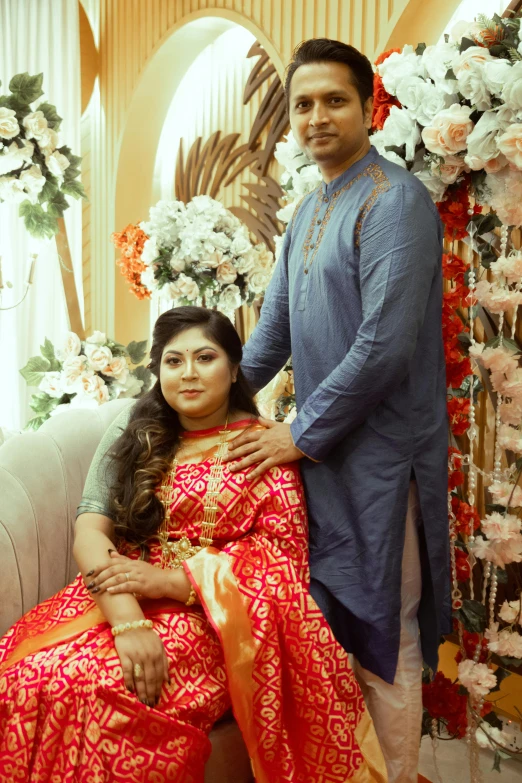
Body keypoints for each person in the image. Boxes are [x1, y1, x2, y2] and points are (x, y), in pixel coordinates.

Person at [0, 306, 386, 783]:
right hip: (116, 595)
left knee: (91, 688)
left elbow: (282, 567)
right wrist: (128, 624)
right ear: (157, 370)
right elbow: (91, 530)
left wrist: (169, 581)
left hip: (210, 622)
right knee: (25, 676)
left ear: (235, 367)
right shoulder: (136, 436)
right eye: (173, 361)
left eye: (205, 357)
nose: (188, 374)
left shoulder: (260, 447)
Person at [226, 38, 452, 783]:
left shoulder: (396, 201)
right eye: (302, 105)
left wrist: (299, 432)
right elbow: (272, 336)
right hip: (322, 458)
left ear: (367, 107)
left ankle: (395, 773)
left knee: (388, 631)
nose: (316, 117)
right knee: (332, 626)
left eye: (334, 100)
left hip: (384, 460)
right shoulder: (309, 208)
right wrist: (204, 407)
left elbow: (384, 346)